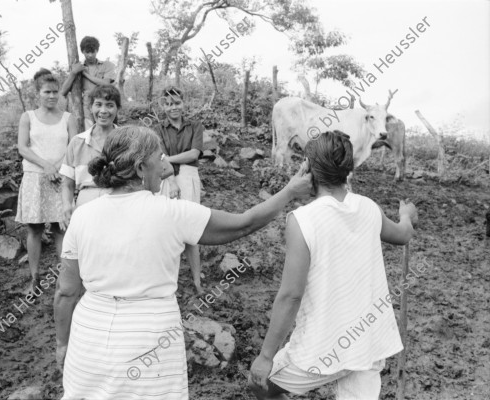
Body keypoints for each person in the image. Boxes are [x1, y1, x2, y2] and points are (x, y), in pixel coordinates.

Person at [53, 126, 313, 400]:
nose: (165, 165)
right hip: (149, 340)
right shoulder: (171, 212)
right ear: (141, 169)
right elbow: (244, 223)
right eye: (159, 158)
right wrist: (290, 192)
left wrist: (62, 343)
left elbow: (66, 292)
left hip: (89, 338)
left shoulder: (83, 216)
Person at [249, 130, 418, 400]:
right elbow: (403, 234)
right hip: (367, 345)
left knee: (261, 386)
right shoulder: (369, 208)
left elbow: (291, 295)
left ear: (308, 169)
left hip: (319, 350)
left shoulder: (302, 219)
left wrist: (266, 355)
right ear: (348, 169)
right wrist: (406, 215)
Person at [15, 68, 77, 293]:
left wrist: (58, 167)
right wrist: (46, 165)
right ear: (38, 93)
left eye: (55, 92)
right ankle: (35, 277)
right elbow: (23, 147)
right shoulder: (28, 117)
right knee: (35, 229)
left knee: (61, 228)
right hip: (35, 176)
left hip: (61, 178)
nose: (51, 96)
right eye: (47, 92)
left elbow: (73, 146)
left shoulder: (68, 118)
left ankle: (64, 278)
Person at [156, 85, 205, 294]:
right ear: (162, 106)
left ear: (183, 103)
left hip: (189, 177)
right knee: (167, 228)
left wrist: (167, 159)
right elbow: (157, 157)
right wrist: (171, 179)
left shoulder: (195, 126)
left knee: (190, 229)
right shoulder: (158, 129)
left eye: (176, 103)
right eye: (168, 104)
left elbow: (193, 154)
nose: (173, 107)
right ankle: (168, 281)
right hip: (166, 179)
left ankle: (197, 280)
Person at [59, 85, 121, 226]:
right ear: (91, 108)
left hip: (119, 202)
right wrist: (67, 205)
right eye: (98, 104)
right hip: (86, 204)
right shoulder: (77, 142)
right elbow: (67, 184)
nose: (103, 111)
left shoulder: (127, 141)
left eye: (110, 105)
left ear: (118, 109)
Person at [60, 36, 116, 129]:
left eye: (92, 52)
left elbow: (106, 84)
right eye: (87, 52)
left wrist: (85, 74)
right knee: (90, 135)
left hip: (106, 107)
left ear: (97, 51)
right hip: (87, 110)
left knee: (107, 136)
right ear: (83, 52)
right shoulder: (78, 68)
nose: (90, 55)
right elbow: (63, 91)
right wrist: (73, 73)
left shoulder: (107, 65)